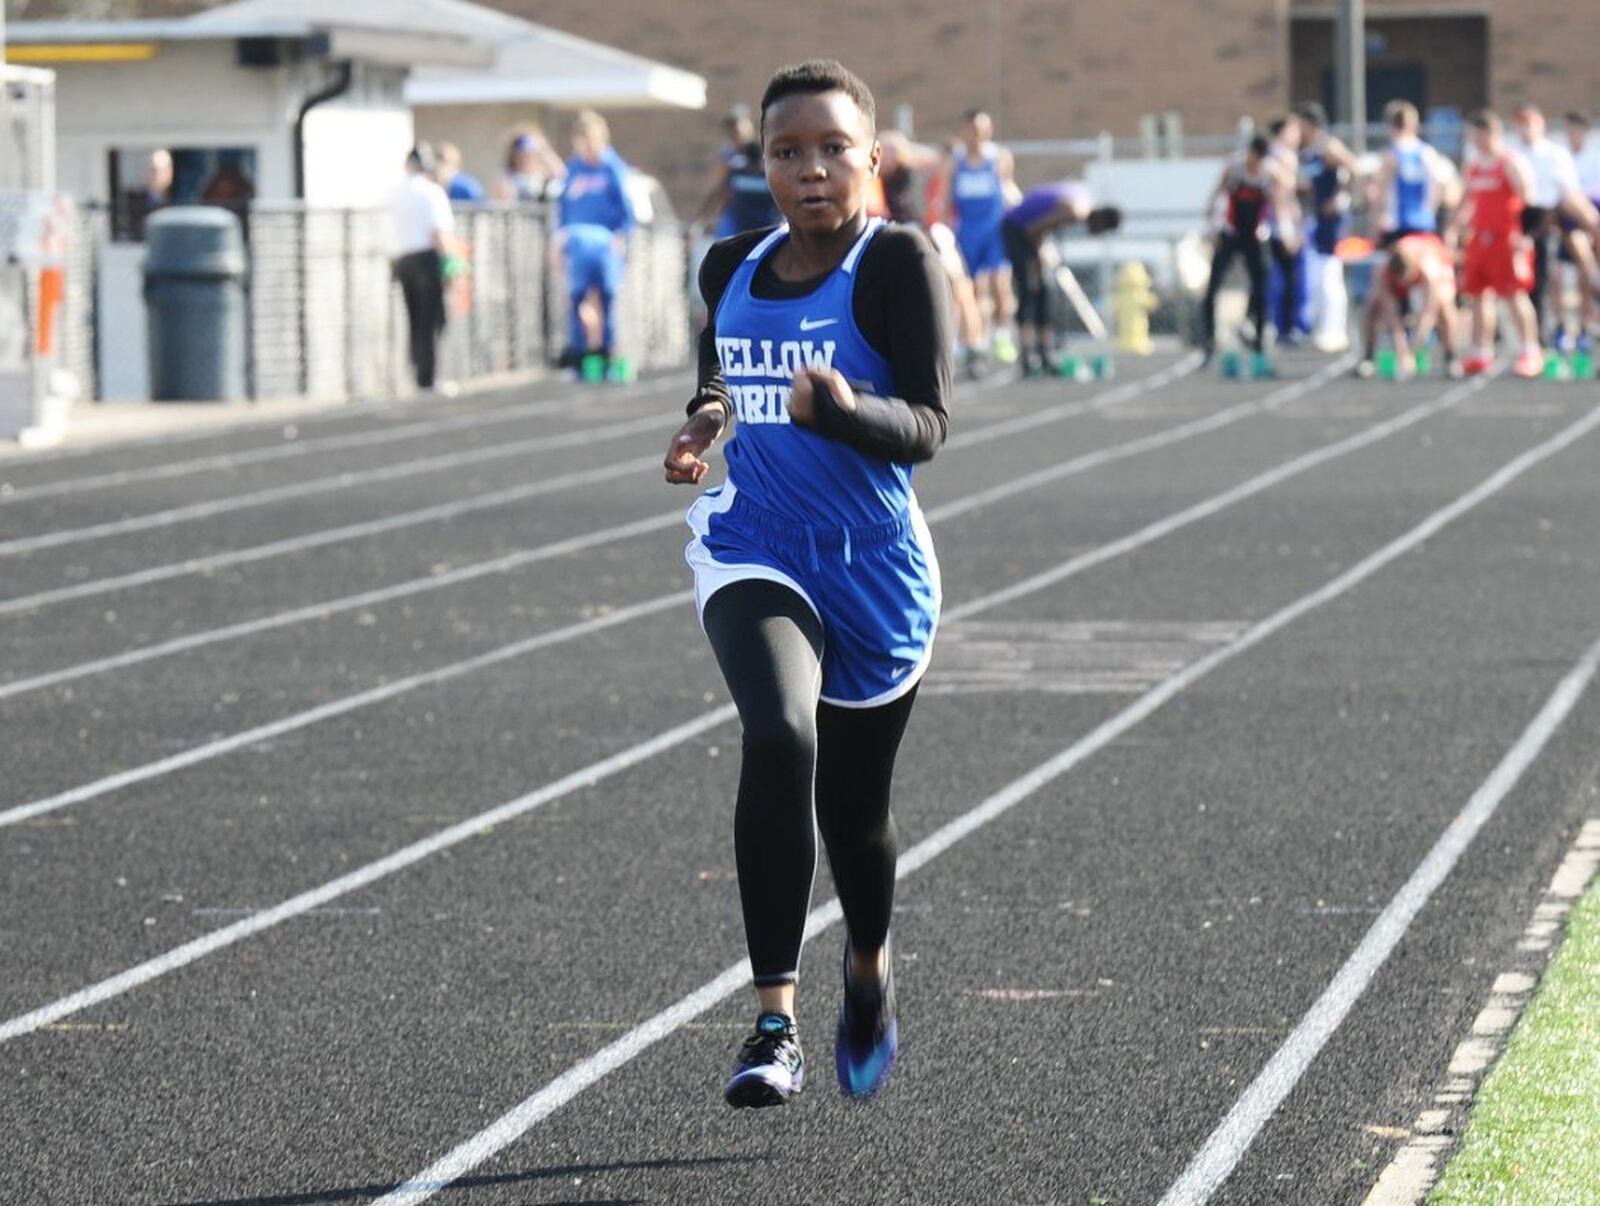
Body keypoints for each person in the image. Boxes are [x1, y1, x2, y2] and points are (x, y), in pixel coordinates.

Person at [661, 58, 951, 1109]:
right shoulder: (729, 262)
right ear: (763, 165)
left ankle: (867, 968)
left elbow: (925, 423)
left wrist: (845, 415)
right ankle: (773, 1019)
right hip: (757, 543)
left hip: (873, 567)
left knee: (855, 815)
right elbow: (721, 364)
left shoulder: (895, 264)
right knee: (779, 736)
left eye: (833, 149)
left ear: (870, 160)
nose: (812, 169)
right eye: (789, 152)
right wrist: (707, 418)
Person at [878, 129, 986, 371]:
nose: (882, 156)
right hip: (911, 235)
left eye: (888, 151)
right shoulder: (886, 176)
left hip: (930, 233)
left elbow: (936, 160)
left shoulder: (912, 172)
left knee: (958, 286)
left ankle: (974, 345)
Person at [1448, 110, 1542, 377]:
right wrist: (1454, 229)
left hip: (1506, 239)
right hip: (1480, 239)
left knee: (1514, 295)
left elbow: (1528, 200)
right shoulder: (1475, 166)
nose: (1476, 141)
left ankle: (1530, 350)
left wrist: (1524, 237)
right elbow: (1466, 202)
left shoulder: (1510, 163)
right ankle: (1481, 351)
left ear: (1492, 134)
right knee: (1478, 296)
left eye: (1480, 135)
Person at [1000, 180, 1121, 375]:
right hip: (1015, 229)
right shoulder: (1074, 211)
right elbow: (1033, 230)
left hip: (1028, 235)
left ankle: (1045, 353)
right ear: (1099, 222)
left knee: (1043, 293)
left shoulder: (1083, 202)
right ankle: (1027, 355)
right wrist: (1038, 258)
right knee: (1029, 292)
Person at [552, 110, 636, 375]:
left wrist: (620, 237)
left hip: (604, 246)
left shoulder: (613, 168)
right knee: (577, 300)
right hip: (577, 246)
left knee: (606, 300)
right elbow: (564, 210)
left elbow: (626, 211)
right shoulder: (574, 169)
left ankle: (608, 357)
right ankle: (580, 359)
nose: (587, 146)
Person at [1509, 105, 1600, 342]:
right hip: (1530, 219)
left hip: (1556, 217)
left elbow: (1570, 195)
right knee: (1546, 279)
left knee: (1573, 269)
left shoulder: (1556, 154)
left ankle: (1583, 320)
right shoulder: (1514, 153)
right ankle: (1552, 328)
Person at [1200, 134, 1294, 362]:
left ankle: (1259, 341)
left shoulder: (1270, 172)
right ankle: (1209, 340)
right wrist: (1211, 228)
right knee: (1214, 287)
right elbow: (1215, 197)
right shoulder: (1234, 168)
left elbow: (1282, 202)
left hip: (1256, 235)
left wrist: (1287, 231)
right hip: (1231, 232)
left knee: (1261, 286)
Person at [941, 109, 1018, 368]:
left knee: (1000, 283)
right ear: (964, 131)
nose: (976, 135)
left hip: (993, 230)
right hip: (967, 233)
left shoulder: (1000, 158)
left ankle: (1002, 334)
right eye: (971, 130)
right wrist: (944, 232)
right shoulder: (956, 162)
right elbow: (945, 200)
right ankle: (977, 339)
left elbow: (1008, 189)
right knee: (971, 290)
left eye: (981, 130)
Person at [1294, 102, 1362, 352]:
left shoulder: (1327, 146)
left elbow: (1353, 168)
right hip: (1315, 218)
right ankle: (1323, 327)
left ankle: (1335, 330)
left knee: (1330, 274)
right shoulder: (1305, 151)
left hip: (1331, 219)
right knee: (1317, 275)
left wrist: (1340, 198)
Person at [390, 144, 457, 394]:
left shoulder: (395, 192)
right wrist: (450, 264)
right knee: (431, 320)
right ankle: (427, 376)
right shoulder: (431, 192)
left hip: (403, 259)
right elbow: (439, 232)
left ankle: (419, 371)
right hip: (427, 259)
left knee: (415, 319)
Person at [1361, 233, 1463, 377]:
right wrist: (1402, 352)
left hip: (1435, 258)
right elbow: (1391, 316)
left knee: (1444, 303)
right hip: (1407, 260)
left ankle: (1451, 356)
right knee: (1373, 303)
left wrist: (1412, 352)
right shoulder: (1382, 271)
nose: (1404, 285)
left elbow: (1429, 313)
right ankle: (1368, 357)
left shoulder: (1429, 269)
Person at [1368, 101, 1457, 246]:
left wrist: (1375, 224)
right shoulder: (1428, 154)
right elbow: (1447, 189)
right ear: (1414, 125)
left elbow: (1377, 192)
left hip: (1397, 225)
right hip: (1425, 224)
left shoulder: (1392, 156)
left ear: (1391, 126)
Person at [699, 106, 781, 237]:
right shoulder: (727, 157)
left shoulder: (760, 153)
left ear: (749, 127)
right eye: (731, 128)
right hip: (735, 216)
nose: (734, 132)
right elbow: (719, 189)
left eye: (737, 126)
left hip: (763, 220)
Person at [1264, 114, 1309, 344]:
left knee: (1279, 276)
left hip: (1275, 223)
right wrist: (1288, 228)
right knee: (1289, 277)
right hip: (1279, 225)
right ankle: (1287, 327)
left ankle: (1279, 326)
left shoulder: (1273, 155)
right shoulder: (1281, 156)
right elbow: (1280, 196)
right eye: (1293, 130)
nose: (1298, 135)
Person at [1560, 111, 1600, 350]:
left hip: (1592, 218)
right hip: (1572, 223)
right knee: (1581, 275)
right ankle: (1585, 324)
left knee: (1586, 273)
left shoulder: (1595, 156)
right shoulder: (1563, 157)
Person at [493, 128, 566, 203]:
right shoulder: (507, 175)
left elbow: (561, 173)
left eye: (528, 155)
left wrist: (543, 149)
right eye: (520, 155)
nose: (524, 159)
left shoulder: (541, 175)